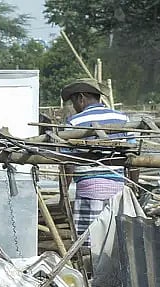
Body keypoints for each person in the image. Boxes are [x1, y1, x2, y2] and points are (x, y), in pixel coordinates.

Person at [60, 78, 130, 238]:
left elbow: (67, 163)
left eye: (74, 102)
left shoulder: (74, 122)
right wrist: (133, 187)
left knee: (89, 242)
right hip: (118, 190)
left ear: (81, 98)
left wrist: (63, 196)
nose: (74, 108)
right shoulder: (122, 119)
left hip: (89, 190)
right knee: (117, 241)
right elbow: (132, 158)